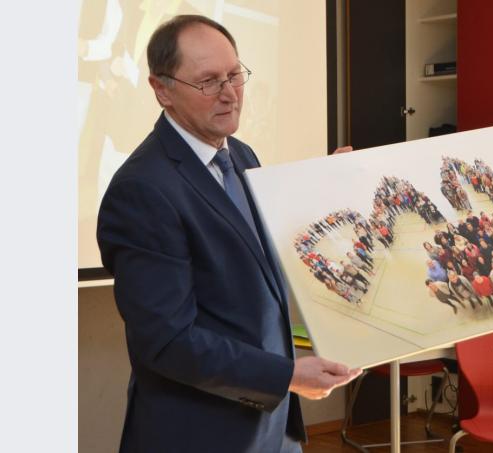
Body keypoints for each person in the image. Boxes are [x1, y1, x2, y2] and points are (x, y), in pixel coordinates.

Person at [96, 15, 360, 453]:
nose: (230, 93)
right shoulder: (142, 190)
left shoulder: (239, 154)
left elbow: (255, 260)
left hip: (272, 427)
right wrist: (289, 375)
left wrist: (321, 192)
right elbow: (167, 340)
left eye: (234, 75)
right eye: (208, 82)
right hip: (202, 434)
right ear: (162, 89)